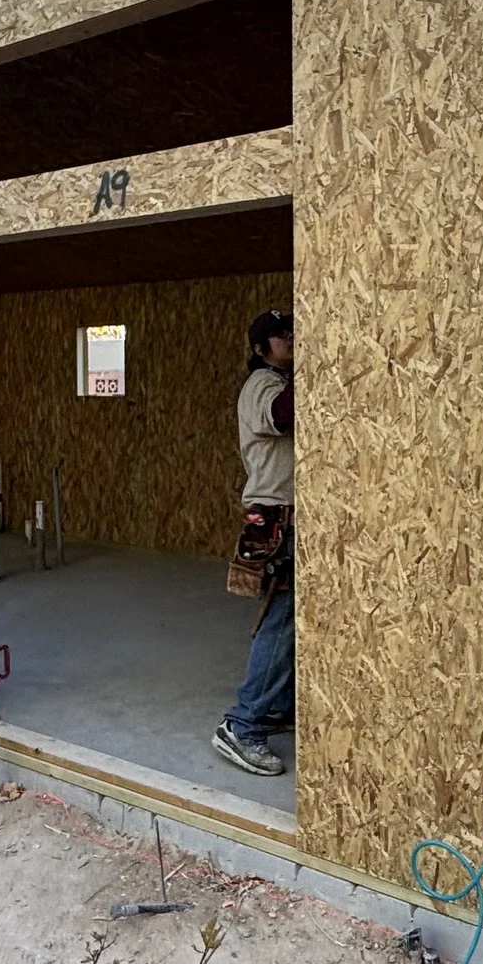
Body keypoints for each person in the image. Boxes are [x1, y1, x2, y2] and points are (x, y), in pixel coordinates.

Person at [214, 309, 294, 776]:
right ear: (260, 348)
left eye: (292, 333)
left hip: (288, 515)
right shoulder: (263, 387)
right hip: (275, 519)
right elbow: (284, 416)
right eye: (279, 336)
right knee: (279, 622)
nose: (289, 340)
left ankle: (273, 707)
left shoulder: (281, 380)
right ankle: (242, 726)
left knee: (289, 619)